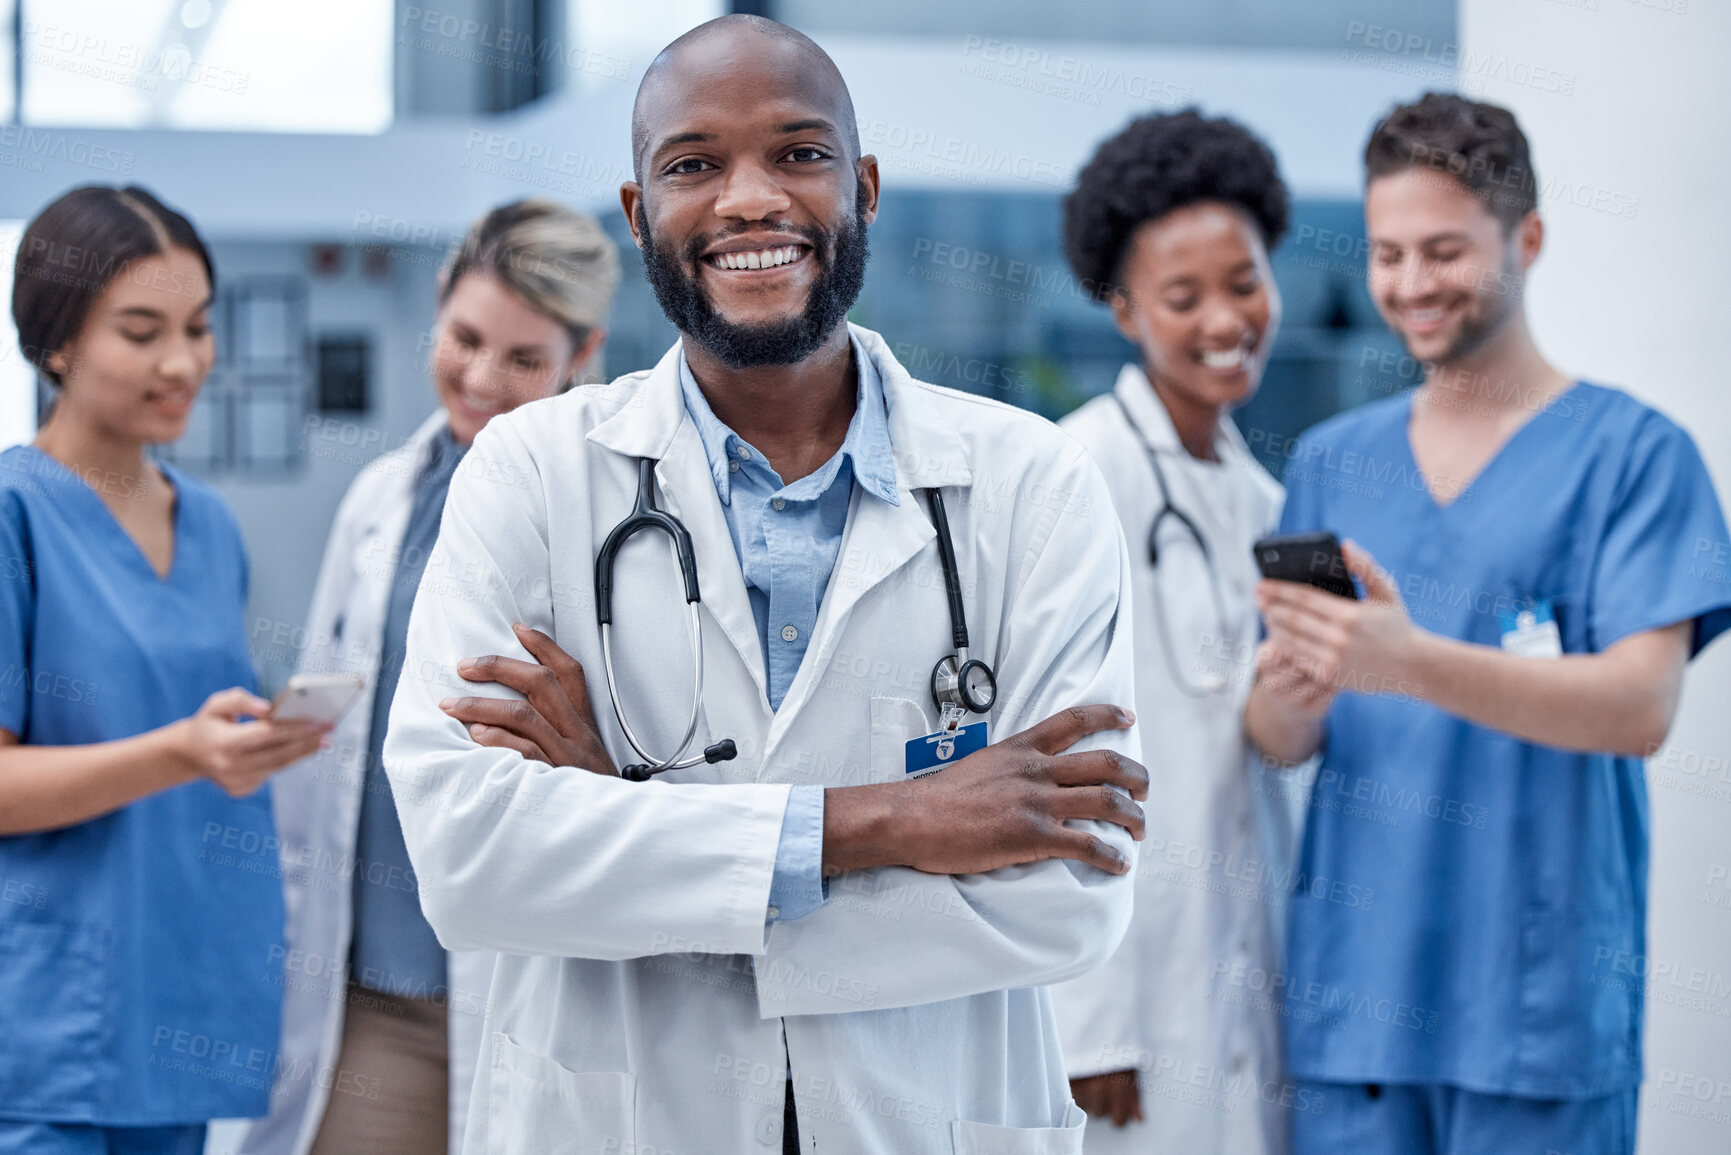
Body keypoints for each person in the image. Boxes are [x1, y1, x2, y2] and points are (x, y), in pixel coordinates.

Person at [385, 15, 1150, 1155]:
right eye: (693, 164)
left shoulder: (1033, 486)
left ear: (866, 187)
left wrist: (632, 824)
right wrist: (892, 822)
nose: (749, 200)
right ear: (641, 212)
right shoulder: (531, 473)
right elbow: (469, 861)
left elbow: (1068, 894)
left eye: (799, 152)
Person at [1245, 92, 1731, 1155]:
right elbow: (1280, 740)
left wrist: (1411, 660)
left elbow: (1642, 708)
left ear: (1529, 239)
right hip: (1356, 1013)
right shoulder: (1334, 460)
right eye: (1387, 254)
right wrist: (1292, 693)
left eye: (1445, 251)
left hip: (1535, 1018)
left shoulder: (1638, 458)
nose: (1411, 284)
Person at [238, 199, 617, 1155]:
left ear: (584, 352)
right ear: (439, 308)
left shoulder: (614, 514)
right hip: (376, 983)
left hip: (543, 983)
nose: (482, 378)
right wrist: (270, 732)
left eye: (524, 359)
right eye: (465, 337)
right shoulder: (382, 497)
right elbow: (334, 689)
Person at [0, 186, 329, 1154]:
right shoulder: (16, 516)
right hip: (52, 1036)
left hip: (184, 1010)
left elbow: (194, 733)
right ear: (56, 344)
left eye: (196, 327)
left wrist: (259, 740)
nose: (183, 362)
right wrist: (183, 754)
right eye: (140, 332)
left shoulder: (212, 526)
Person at [1050, 110, 1292, 1154]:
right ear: (1122, 309)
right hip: (1122, 1005)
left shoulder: (1267, 502)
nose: (1224, 319)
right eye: (1182, 297)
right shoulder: (1075, 474)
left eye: (1243, 283)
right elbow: (1057, 752)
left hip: (1246, 968)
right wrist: (1087, 1022)